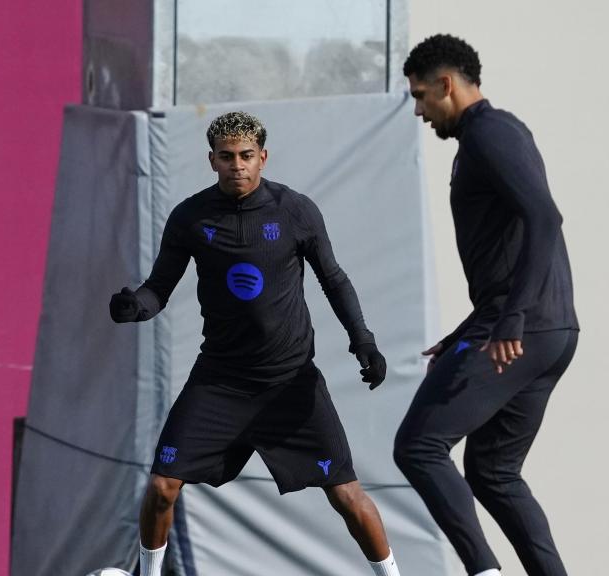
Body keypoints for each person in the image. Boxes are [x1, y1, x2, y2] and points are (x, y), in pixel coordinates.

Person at [109, 111, 400, 576]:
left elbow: (334, 279)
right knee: (163, 486)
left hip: (290, 383)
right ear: (212, 161)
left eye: (246, 156)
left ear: (263, 157)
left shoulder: (295, 211)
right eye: (226, 157)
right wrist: (135, 306)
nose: (237, 166)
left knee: (346, 494)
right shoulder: (191, 216)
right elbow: (157, 288)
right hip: (220, 381)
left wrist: (363, 340)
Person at [394, 34, 579, 576]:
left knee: (419, 446)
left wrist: (509, 320)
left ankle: (483, 572)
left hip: (520, 329)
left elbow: (545, 218)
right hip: (546, 330)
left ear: (447, 85)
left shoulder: (490, 134)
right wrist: (465, 331)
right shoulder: (496, 134)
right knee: (493, 470)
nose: (421, 111)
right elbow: (511, 250)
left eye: (422, 96)